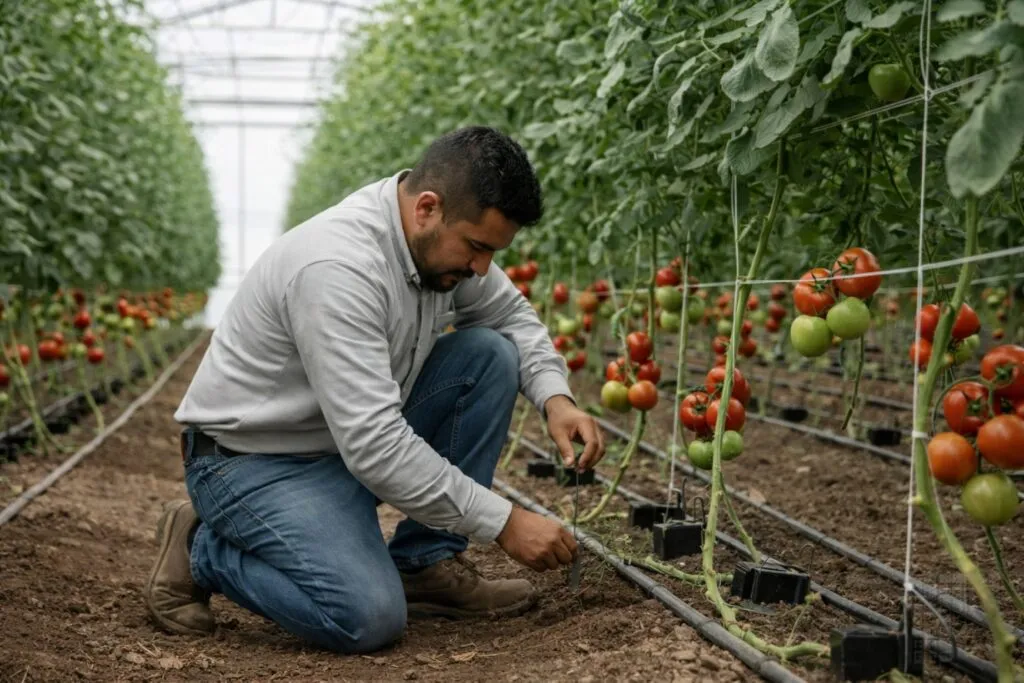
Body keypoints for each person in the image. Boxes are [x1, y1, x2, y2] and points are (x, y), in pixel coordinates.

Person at [144, 126, 606, 654]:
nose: (483, 268)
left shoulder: (436, 245)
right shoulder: (338, 269)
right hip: (250, 463)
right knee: (366, 616)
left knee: (489, 355)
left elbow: (510, 317)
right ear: (427, 207)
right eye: (477, 247)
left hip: (331, 444)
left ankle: (425, 564)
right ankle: (201, 547)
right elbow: (375, 445)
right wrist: (504, 522)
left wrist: (555, 398)